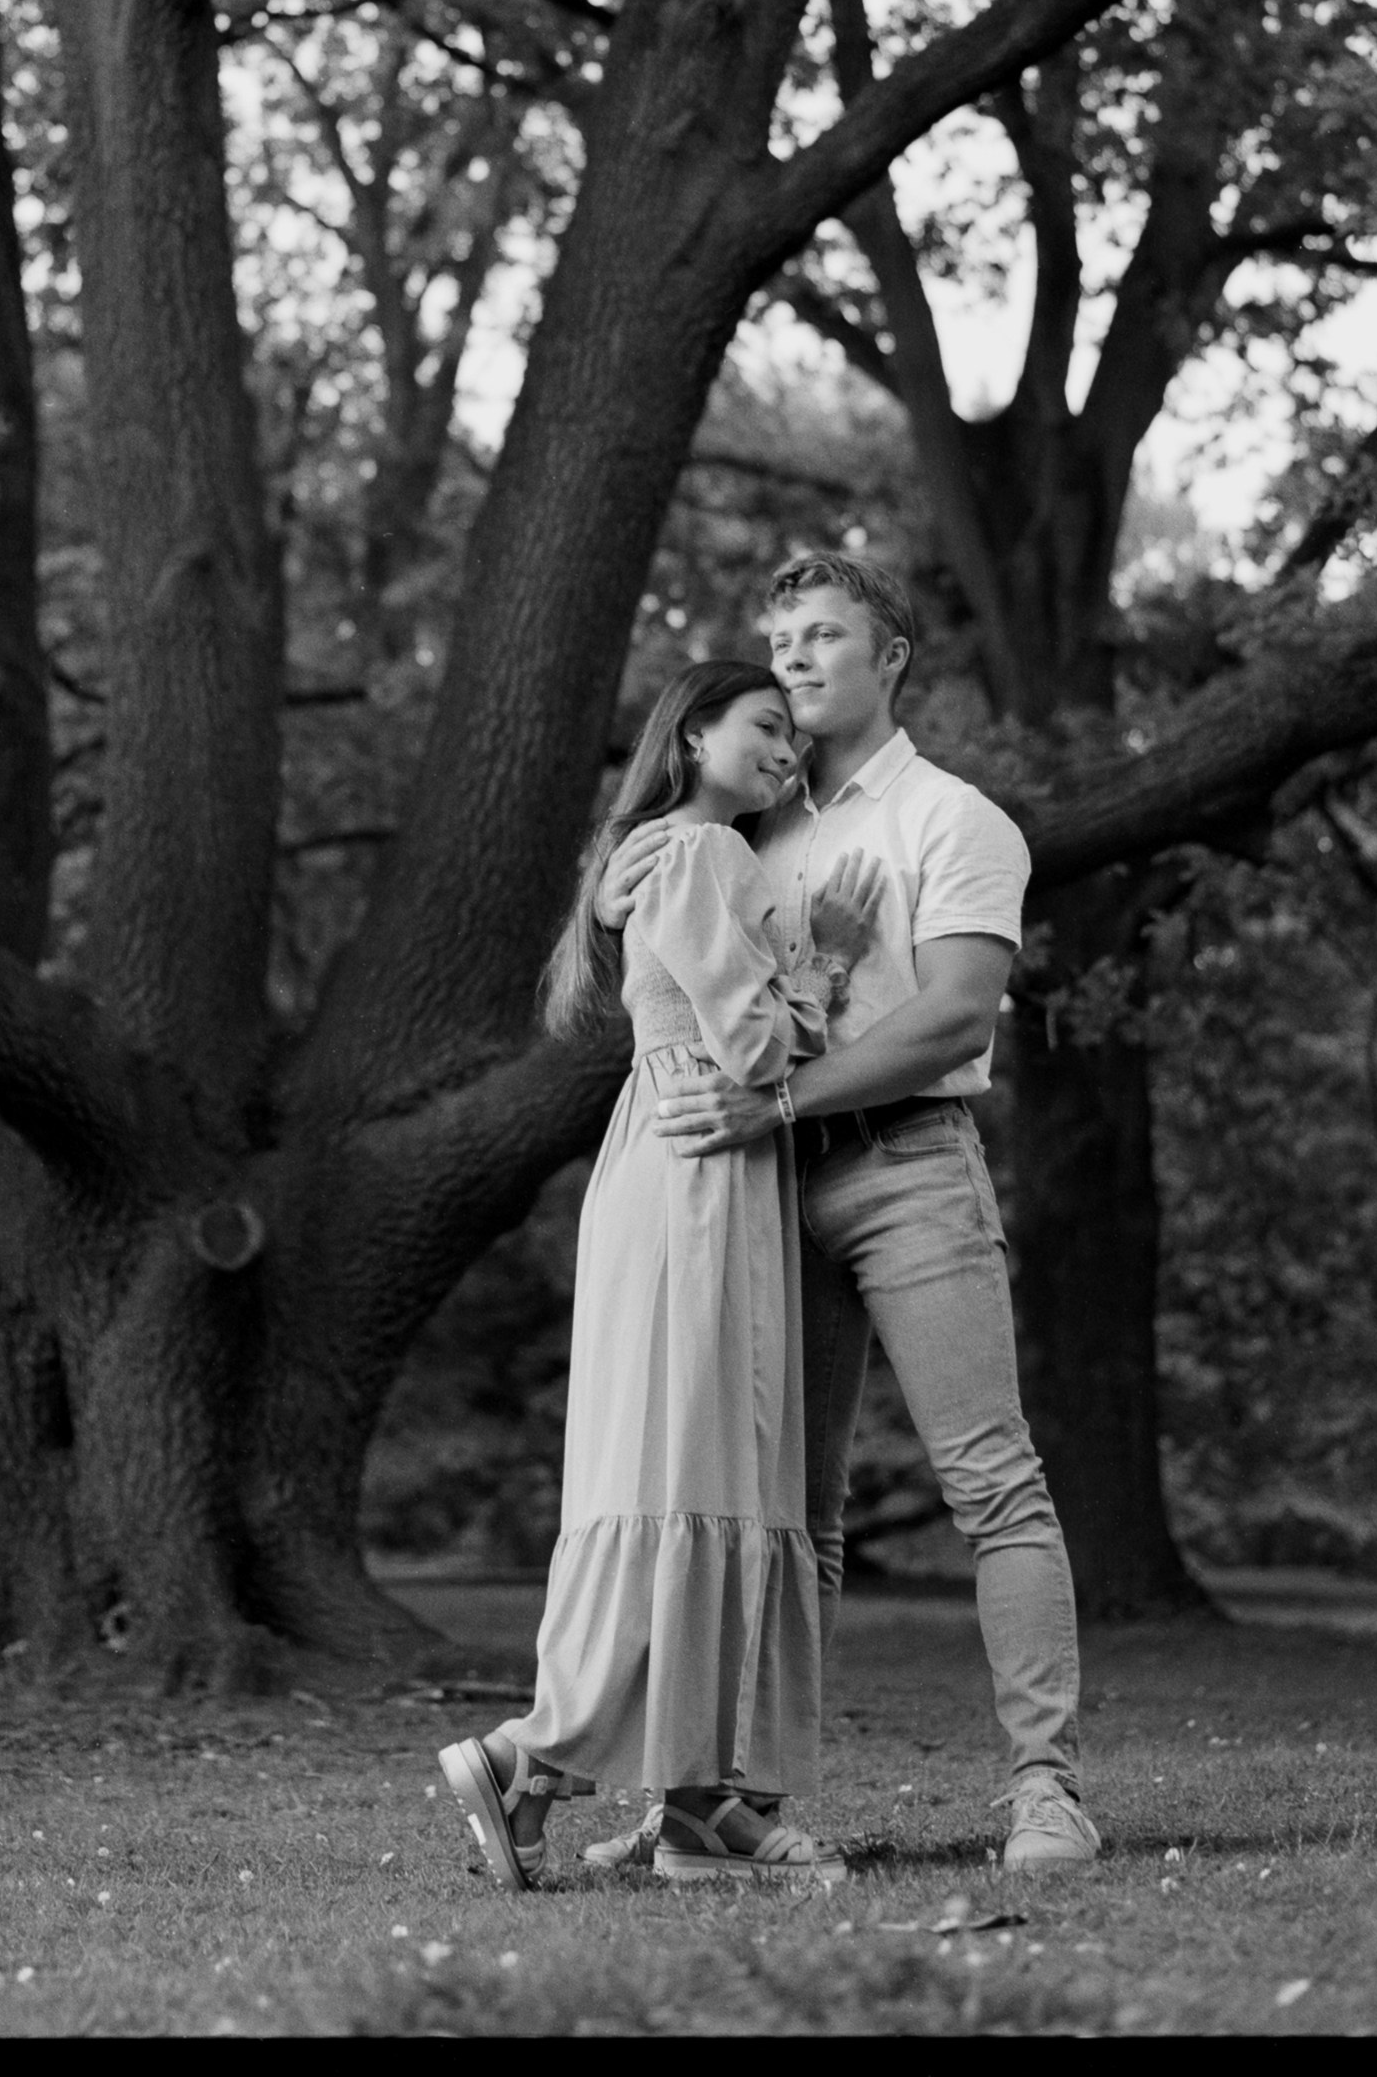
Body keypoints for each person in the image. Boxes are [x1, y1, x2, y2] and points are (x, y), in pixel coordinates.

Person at [587, 551, 1100, 1876]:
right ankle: (727, 1804)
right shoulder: (754, 823)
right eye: (781, 640)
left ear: (890, 657)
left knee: (988, 1482)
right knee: (781, 1515)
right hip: (755, 1193)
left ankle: (1045, 1792)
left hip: (904, 1172)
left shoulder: (951, 821)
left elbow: (950, 1015)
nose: (798, 659)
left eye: (823, 635)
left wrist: (781, 1097)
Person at [435, 659, 882, 1889]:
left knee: (697, 1460)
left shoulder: (665, 854)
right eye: (763, 724)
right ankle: (536, 1758)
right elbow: (751, 1040)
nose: (787, 747)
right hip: (700, 1166)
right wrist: (829, 967)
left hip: (682, 1163)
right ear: (690, 732)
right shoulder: (701, 856)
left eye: (795, 734)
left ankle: (697, 1805)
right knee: (694, 1457)